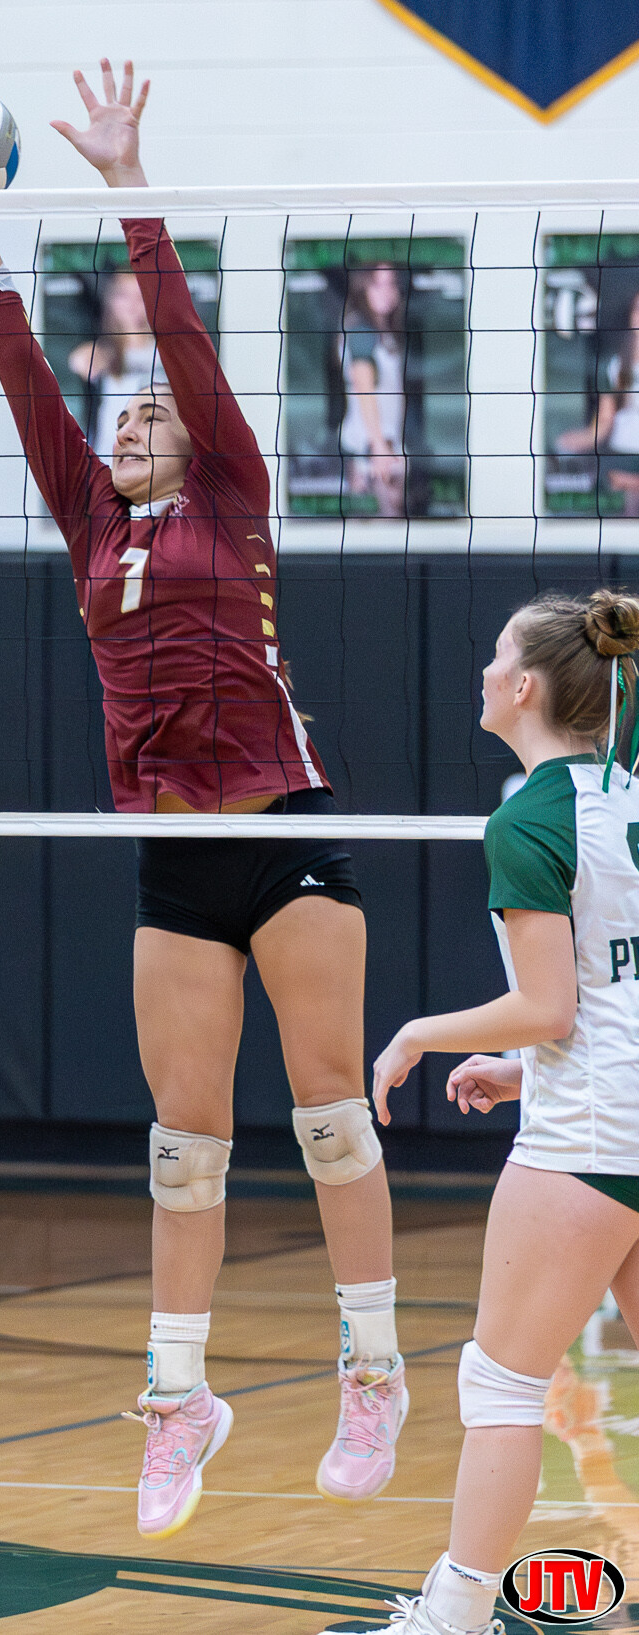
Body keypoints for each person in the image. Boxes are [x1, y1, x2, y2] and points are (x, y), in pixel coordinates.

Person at [0, 59, 401, 1538]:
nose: (127, 424)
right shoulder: (89, 520)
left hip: (281, 828)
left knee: (329, 1119)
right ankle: (178, 1395)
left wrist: (128, 182)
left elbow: (181, 336)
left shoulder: (232, 493)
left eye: (148, 416)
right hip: (171, 855)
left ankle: (373, 1369)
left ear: (197, 440)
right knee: (183, 1145)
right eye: (118, 418)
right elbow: (15, 359)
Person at [322, 589, 639, 1635]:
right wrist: (521, 1070)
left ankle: (451, 1616)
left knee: (501, 1385)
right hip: (617, 1108)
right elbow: (612, 988)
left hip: (589, 1138)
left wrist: (420, 1032)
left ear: (526, 686)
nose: (485, 669)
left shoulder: (529, 817)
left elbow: (550, 1005)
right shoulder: (629, 795)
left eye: (497, 654)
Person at [557, 290, 639, 517]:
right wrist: (574, 441)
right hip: (620, 460)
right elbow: (603, 423)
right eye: (638, 309)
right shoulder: (614, 364)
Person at [339, 263, 409, 518]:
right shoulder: (360, 329)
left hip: (383, 446)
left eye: (391, 284)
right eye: (378, 284)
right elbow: (363, 387)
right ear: (363, 288)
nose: (386, 292)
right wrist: (378, 446)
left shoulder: (383, 331)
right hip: (369, 449)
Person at [68, 269, 167, 447]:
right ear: (111, 300)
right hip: (111, 451)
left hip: (157, 450)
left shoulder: (168, 352)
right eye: (124, 295)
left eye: (140, 295)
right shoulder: (103, 351)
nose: (132, 304)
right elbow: (79, 362)